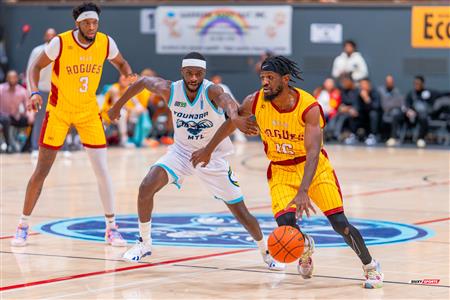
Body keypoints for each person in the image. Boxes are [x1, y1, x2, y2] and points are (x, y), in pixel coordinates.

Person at [193, 56, 384, 288]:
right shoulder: (255, 101)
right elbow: (234, 121)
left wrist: (304, 189)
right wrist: (209, 149)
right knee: (286, 226)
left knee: (339, 223)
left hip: (313, 169)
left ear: (285, 79)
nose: (265, 82)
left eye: (270, 78)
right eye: (262, 77)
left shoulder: (309, 106)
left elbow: (313, 152)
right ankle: (304, 249)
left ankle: (371, 267)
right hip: (281, 170)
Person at [108, 52, 283, 271]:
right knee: (146, 187)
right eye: (189, 73)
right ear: (182, 73)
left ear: (204, 74)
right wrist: (118, 106)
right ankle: (144, 243)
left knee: (242, 213)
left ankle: (266, 253)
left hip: (213, 156)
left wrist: (235, 118)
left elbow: (228, 103)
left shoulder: (212, 90)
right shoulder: (171, 89)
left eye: (198, 74)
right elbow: (142, 82)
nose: (193, 78)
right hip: (181, 153)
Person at [11, 2, 136, 247]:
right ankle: (22, 225)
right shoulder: (60, 42)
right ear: (77, 24)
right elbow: (35, 67)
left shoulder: (106, 43)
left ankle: (111, 228)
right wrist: (35, 92)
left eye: (95, 23)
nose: (91, 27)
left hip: (89, 113)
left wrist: (128, 76)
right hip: (59, 112)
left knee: (102, 171)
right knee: (42, 171)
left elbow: (121, 63)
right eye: (87, 23)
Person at [26, 28, 58, 158]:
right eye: (48, 35)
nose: (50, 37)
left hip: (57, 90)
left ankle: (62, 147)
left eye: (53, 35)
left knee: (59, 120)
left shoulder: (60, 51)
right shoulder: (37, 51)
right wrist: (32, 93)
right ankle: (35, 147)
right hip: (41, 90)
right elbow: (30, 70)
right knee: (39, 119)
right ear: (45, 37)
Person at [0, 70, 33, 153]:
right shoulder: (1, 89)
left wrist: (30, 115)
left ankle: (27, 146)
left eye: (14, 78)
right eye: (10, 78)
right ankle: (8, 145)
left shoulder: (22, 91)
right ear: (7, 79)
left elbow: (28, 106)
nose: (12, 80)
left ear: (17, 79)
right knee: (5, 119)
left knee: (33, 122)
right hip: (3, 117)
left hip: (16, 117)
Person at [211, 74, 247, 143]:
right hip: (215, 110)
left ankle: (239, 136)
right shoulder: (209, 87)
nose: (217, 80)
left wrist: (238, 105)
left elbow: (231, 97)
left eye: (218, 79)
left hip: (226, 109)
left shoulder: (224, 87)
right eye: (215, 79)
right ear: (212, 79)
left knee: (234, 120)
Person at [378, 75, 404, 147]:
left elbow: (400, 104)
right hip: (383, 112)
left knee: (395, 113)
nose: (389, 83)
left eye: (391, 82)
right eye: (388, 82)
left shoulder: (397, 91)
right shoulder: (380, 91)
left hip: (393, 113)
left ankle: (394, 138)